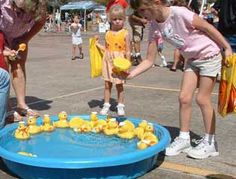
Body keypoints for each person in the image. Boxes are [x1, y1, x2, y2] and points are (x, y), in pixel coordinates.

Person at [127, 0, 232, 159]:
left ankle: (210, 143)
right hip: (191, 59)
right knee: (184, 98)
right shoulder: (155, 26)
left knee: (202, 99)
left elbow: (207, 27)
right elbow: (149, 60)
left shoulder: (180, 13)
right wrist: (130, 74)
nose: (142, 16)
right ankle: (184, 139)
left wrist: (227, 47)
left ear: (155, 3)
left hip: (209, 55)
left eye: (143, 10)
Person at [0, 0, 47, 120]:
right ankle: (7, 108)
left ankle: (21, 104)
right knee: (3, 69)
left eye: (23, 11)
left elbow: (40, 22)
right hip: (1, 34)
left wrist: (25, 38)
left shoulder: (39, 6)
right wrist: (4, 46)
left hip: (19, 36)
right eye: (15, 7)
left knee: (19, 66)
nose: (17, 12)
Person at [96, 5, 131, 116]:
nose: (117, 21)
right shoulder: (107, 33)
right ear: (110, 20)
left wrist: (127, 65)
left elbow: (128, 51)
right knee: (107, 84)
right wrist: (96, 44)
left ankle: (120, 105)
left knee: (119, 85)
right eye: (115, 19)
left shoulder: (125, 33)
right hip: (108, 62)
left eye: (120, 19)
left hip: (119, 63)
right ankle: (106, 105)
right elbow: (106, 49)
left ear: (124, 20)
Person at [0, 32, 17, 128]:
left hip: (2, 67)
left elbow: (1, 50)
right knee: (4, 78)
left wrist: (9, 53)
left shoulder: (1, 33)